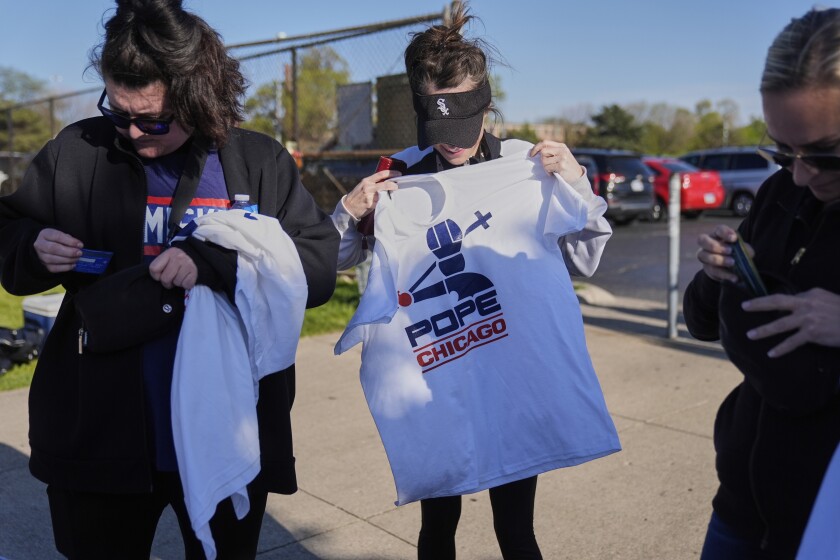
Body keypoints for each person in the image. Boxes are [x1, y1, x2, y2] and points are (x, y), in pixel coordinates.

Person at [0, 0, 338, 558]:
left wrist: (213, 261)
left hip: (226, 436)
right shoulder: (78, 151)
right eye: (117, 112)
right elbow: (8, 233)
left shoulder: (256, 160)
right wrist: (30, 247)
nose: (132, 133)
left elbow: (317, 266)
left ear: (196, 94)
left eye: (152, 119)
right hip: (101, 436)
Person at [331, 5, 618, 559]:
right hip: (435, 380)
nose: (453, 143)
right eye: (439, 131)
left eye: (464, 127)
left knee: (516, 531)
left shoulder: (525, 164)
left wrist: (577, 183)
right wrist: (349, 212)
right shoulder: (400, 175)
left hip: (513, 377)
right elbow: (335, 261)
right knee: (437, 528)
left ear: (488, 108)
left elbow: (585, 259)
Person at [683, 7, 840, 559]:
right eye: (780, 150)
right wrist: (714, 276)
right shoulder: (781, 194)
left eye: (824, 154)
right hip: (741, 507)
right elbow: (700, 324)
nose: (799, 173)